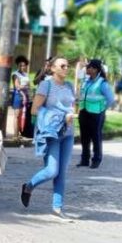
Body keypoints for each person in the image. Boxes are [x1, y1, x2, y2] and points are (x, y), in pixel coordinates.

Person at [21, 56, 76, 219]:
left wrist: (72, 114)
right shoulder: (46, 85)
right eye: (63, 66)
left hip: (68, 133)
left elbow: (71, 106)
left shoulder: (70, 86)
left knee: (62, 172)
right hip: (52, 134)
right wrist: (60, 117)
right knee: (52, 170)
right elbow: (34, 110)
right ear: (52, 68)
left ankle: (57, 208)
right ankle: (29, 186)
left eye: (67, 66)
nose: (66, 68)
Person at [77, 59, 115, 169]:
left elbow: (110, 99)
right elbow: (80, 74)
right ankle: (84, 159)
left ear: (96, 69)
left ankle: (96, 159)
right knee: (84, 137)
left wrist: (102, 109)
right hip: (84, 111)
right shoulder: (86, 81)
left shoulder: (102, 83)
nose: (87, 69)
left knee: (96, 137)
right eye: (87, 67)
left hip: (96, 114)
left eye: (90, 67)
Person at [11, 55, 31, 140]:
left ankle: (19, 133)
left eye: (23, 65)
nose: (22, 67)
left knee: (22, 115)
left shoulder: (26, 74)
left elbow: (29, 86)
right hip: (18, 96)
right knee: (16, 115)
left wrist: (25, 87)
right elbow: (17, 87)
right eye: (20, 65)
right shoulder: (15, 74)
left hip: (25, 96)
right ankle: (15, 135)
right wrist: (25, 86)